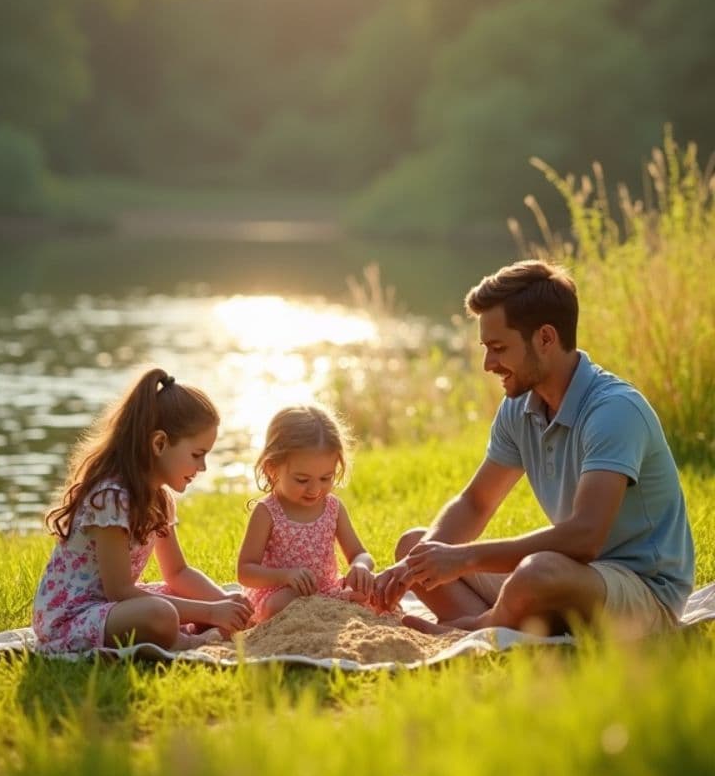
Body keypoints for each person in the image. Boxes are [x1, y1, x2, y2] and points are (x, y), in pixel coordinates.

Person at [374, 260, 694, 640]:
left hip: (643, 592)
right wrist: (420, 561)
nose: (488, 364)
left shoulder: (614, 411)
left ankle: (474, 629)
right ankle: (500, 624)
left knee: (536, 573)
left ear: (545, 338)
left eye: (498, 348)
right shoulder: (521, 405)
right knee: (417, 546)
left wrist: (463, 559)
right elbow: (476, 502)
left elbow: (584, 538)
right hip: (572, 577)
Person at [33, 368, 253, 652]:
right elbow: (121, 591)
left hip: (111, 609)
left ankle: (193, 628)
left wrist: (225, 603)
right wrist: (210, 612)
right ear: (159, 443)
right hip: (72, 618)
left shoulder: (160, 500)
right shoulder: (111, 498)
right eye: (197, 455)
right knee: (160, 614)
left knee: (208, 597)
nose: (202, 468)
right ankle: (185, 642)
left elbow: (178, 572)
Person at [237, 404, 375, 623]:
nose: (314, 490)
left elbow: (360, 553)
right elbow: (245, 572)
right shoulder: (267, 512)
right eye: (302, 480)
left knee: (369, 592)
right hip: (280, 594)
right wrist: (286, 576)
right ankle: (323, 611)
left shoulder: (333, 508)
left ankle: (328, 610)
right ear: (272, 468)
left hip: (326, 590)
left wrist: (360, 566)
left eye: (325, 478)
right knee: (283, 603)